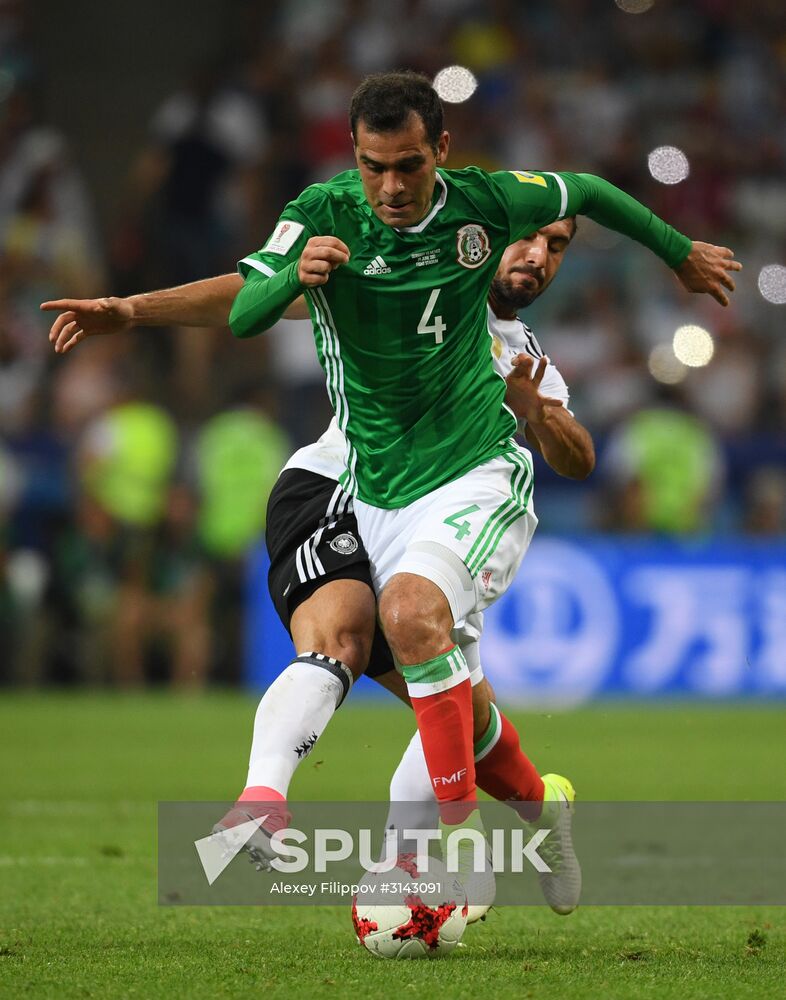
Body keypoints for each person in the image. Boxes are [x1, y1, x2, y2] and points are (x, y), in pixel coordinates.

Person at [44, 69, 740, 908]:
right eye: (377, 167)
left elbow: (580, 444)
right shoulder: (345, 235)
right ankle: (490, 809)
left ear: (440, 156)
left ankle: (449, 850)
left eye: (555, 249)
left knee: (414, 641)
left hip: (469, 482)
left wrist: (547, 400)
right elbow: (250, 303)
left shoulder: (513, 334)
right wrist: (218, 289)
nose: (393, 187)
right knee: (419, 684)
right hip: (359, 486)